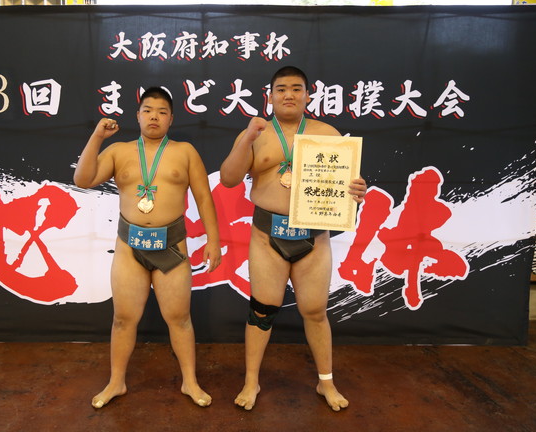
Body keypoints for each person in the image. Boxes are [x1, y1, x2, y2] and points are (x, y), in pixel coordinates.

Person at [220, 66, 367, 411]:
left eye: (296, 89)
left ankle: (325, 382)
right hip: (267, 236)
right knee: (261, 311)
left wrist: (356, 191)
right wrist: (247, 138)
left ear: (308, 95)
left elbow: (345, 187)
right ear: (270, 96)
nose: (289, 95)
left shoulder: (327, 133)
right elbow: (228, 178)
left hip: (313, 237)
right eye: (282, 89)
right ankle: (251, 381)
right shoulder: (257, 133)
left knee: (315, 311)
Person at [74, 87, 221, 409]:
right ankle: (116, 382)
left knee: (179, 318)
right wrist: (97, 137)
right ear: (138, 116)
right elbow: (83, 179)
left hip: (171, 245)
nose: (154, 116)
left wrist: (213, 240)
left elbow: (204, 197)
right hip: (130, 247)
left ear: (171, 119)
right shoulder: (118, 151)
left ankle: (190, 381)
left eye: (162, 111)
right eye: (148, 110)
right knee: (123, 318)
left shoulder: (185, 152)